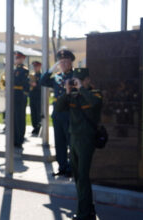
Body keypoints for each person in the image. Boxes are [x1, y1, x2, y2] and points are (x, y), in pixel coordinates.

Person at [55, 68, 102, 220]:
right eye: (76, 80)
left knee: (82, 176)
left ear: (87, 80)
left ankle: (84, 214)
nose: (77, 82)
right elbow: (58, 108)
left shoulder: (95, 94)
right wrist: (68, 91)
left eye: (80, 80)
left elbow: (95, 104)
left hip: (86, 139)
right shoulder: (73, 96)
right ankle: (88, 209)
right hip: (74, 138)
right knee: (77, 176)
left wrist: (82, 88)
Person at [41, 49, 74, 177]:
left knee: (70, 142)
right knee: (59, 142)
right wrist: (51, 70)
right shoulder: (57, 77)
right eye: (61, 62)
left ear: (71, 62)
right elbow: (43, 82)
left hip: (69, 112)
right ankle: (62, 166)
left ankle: (71, 167)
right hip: (57, 113)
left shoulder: (74, 76)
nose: (63, 64)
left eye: (66, 61)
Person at [13, 51, 29, 149]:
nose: (16, 59)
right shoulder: (14, 70)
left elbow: (20, 81)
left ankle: (19, 139)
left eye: (18, 58)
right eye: (16, 58)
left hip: (20, 96)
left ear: (22, 59)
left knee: (20, 118)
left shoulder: (24, 70)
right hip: (14, 95)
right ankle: (14, 138)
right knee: (14, 118)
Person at [29, 61, 42, 136]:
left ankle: (38, 127)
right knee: (33, 113)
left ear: (39, 67)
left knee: (38, 113)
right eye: (34, 67)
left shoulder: (41, 75)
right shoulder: (32, 75)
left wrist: (35, 85)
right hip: (32, 96)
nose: (35, 68)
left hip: (38, 97)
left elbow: (41, 86)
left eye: (36, 66)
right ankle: (34, 126)